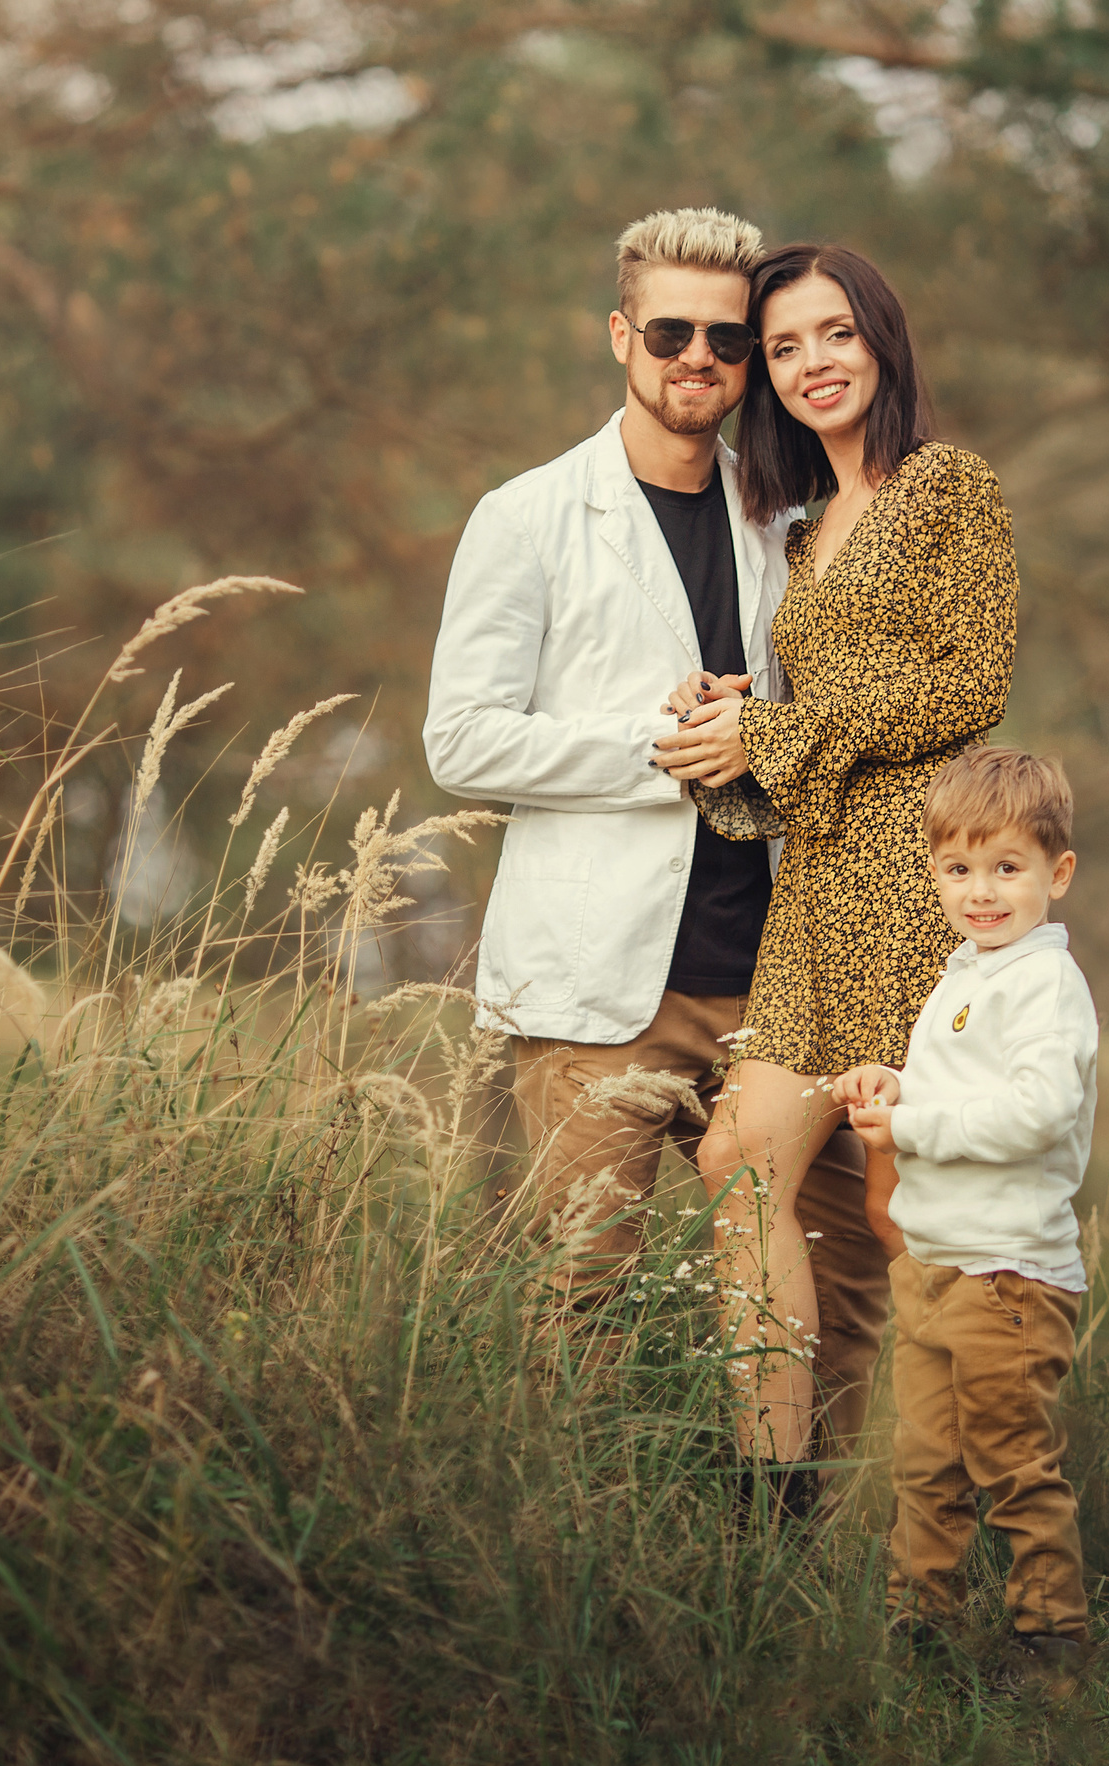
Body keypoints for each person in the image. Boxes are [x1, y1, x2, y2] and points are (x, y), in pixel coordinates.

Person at [422, 211, 890, 1476]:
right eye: (671, 331)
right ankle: (576, 1556)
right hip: (597, 993)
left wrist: (768, 735)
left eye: (727, 340)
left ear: (750, 361)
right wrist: (657, 747)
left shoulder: (786, 521)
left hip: (782, 981)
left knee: (843, 1276)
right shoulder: (524, 517)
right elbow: (459, 741)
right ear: (621, 335)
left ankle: (798, 1554)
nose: (699, 358)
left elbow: (827, 723)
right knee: (582, 1296)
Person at [650, 244, 1017, 1470]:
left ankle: (972, 1521)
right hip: (807, 897)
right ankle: (776, 1500)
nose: (812, 364)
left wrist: (784, 730)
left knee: (913, 1212)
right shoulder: (804, 532)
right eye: (788, 345)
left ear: (881, 341)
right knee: (737, 1161)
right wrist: (732, 736)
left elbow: (970, 683)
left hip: (912, 891)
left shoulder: (945, 487)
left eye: (835, 334)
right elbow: (814, 731)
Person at [834, 745, 1096, 1674]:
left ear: (1057, 873)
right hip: (938, 1267)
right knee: (924, 1467)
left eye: (1007, 868)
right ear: (934, 870)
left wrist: (914, 1121)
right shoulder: (967, 974)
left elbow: (1038, 1109)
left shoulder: (1043, 984)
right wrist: (891, 1082)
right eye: (959, 869)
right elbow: (960, 1089)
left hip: (1007, 1276)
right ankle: (922, 1630)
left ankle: (1050, 1639)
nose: (981, 891)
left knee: (1014, 1467)